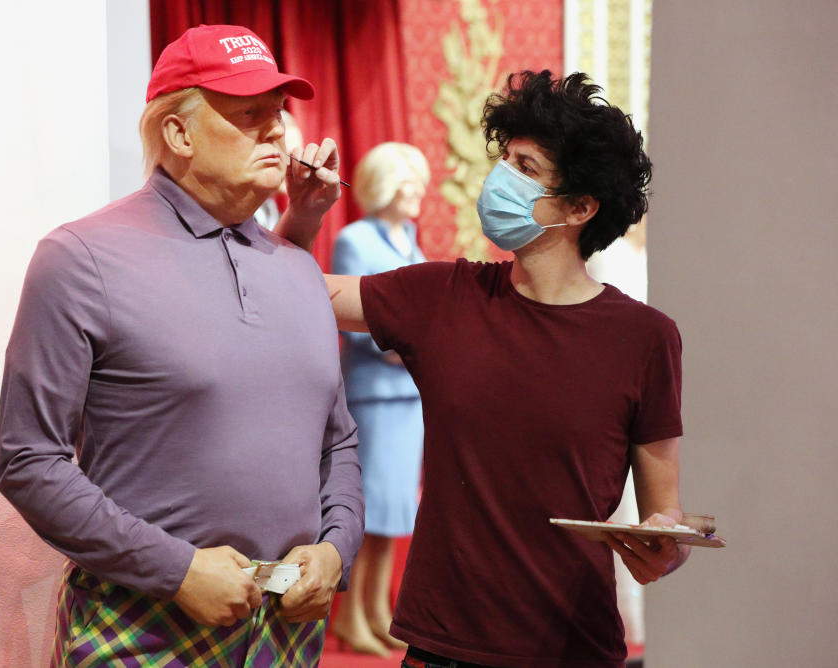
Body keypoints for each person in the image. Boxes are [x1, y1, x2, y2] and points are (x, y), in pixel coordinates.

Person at [277, 70, 690, 668]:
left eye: (526, 168)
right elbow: (288, 295)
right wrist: (306, 214)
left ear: (580, 206)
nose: (501, 178)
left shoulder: (647, 338)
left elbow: (665, 509)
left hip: (574, 645)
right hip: (443, 643)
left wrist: (664, 547)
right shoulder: (444, 295)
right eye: (505, 159)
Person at [0, 24, 362, 667]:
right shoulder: (81, 257)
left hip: (285, 637)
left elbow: (338, 442)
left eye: (277, 114)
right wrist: (177, 569)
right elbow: (29, 460)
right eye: (249, 115)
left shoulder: (298, 266)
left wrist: (336, 549)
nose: (277, 131)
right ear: (179, 134)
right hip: (142, 625)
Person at [328, 143, 430, 656]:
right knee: (368, 515)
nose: (417, 191)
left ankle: (380, 611)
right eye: (407, 181)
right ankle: (350, 615)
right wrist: (403, 345)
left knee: (395, 514)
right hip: (374, 397)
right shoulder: (354, 240)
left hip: (410, 398)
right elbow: (350, 315)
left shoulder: (410, 240)